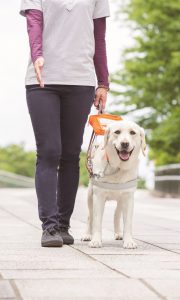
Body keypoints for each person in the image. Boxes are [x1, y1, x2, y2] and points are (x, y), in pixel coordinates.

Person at [19, 0, 110, 247]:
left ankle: (62, 224)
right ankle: (49, 227)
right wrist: (37, 55)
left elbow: (99, 38)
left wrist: (103, 82)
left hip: (80, 81)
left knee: (70, 154)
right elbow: (34, 24)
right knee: (49, 151)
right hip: (41, 81)